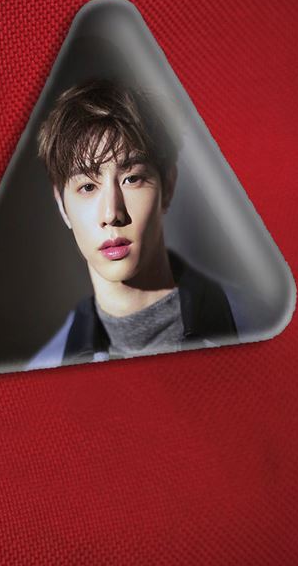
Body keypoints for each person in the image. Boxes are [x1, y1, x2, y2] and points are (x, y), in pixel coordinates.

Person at [27, 77, 238, 370]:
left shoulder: (255, 322)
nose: (112, 213)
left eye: (131, 179)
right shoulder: (44, 372)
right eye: (87, 187)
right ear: (62, 205)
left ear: (168, 185)